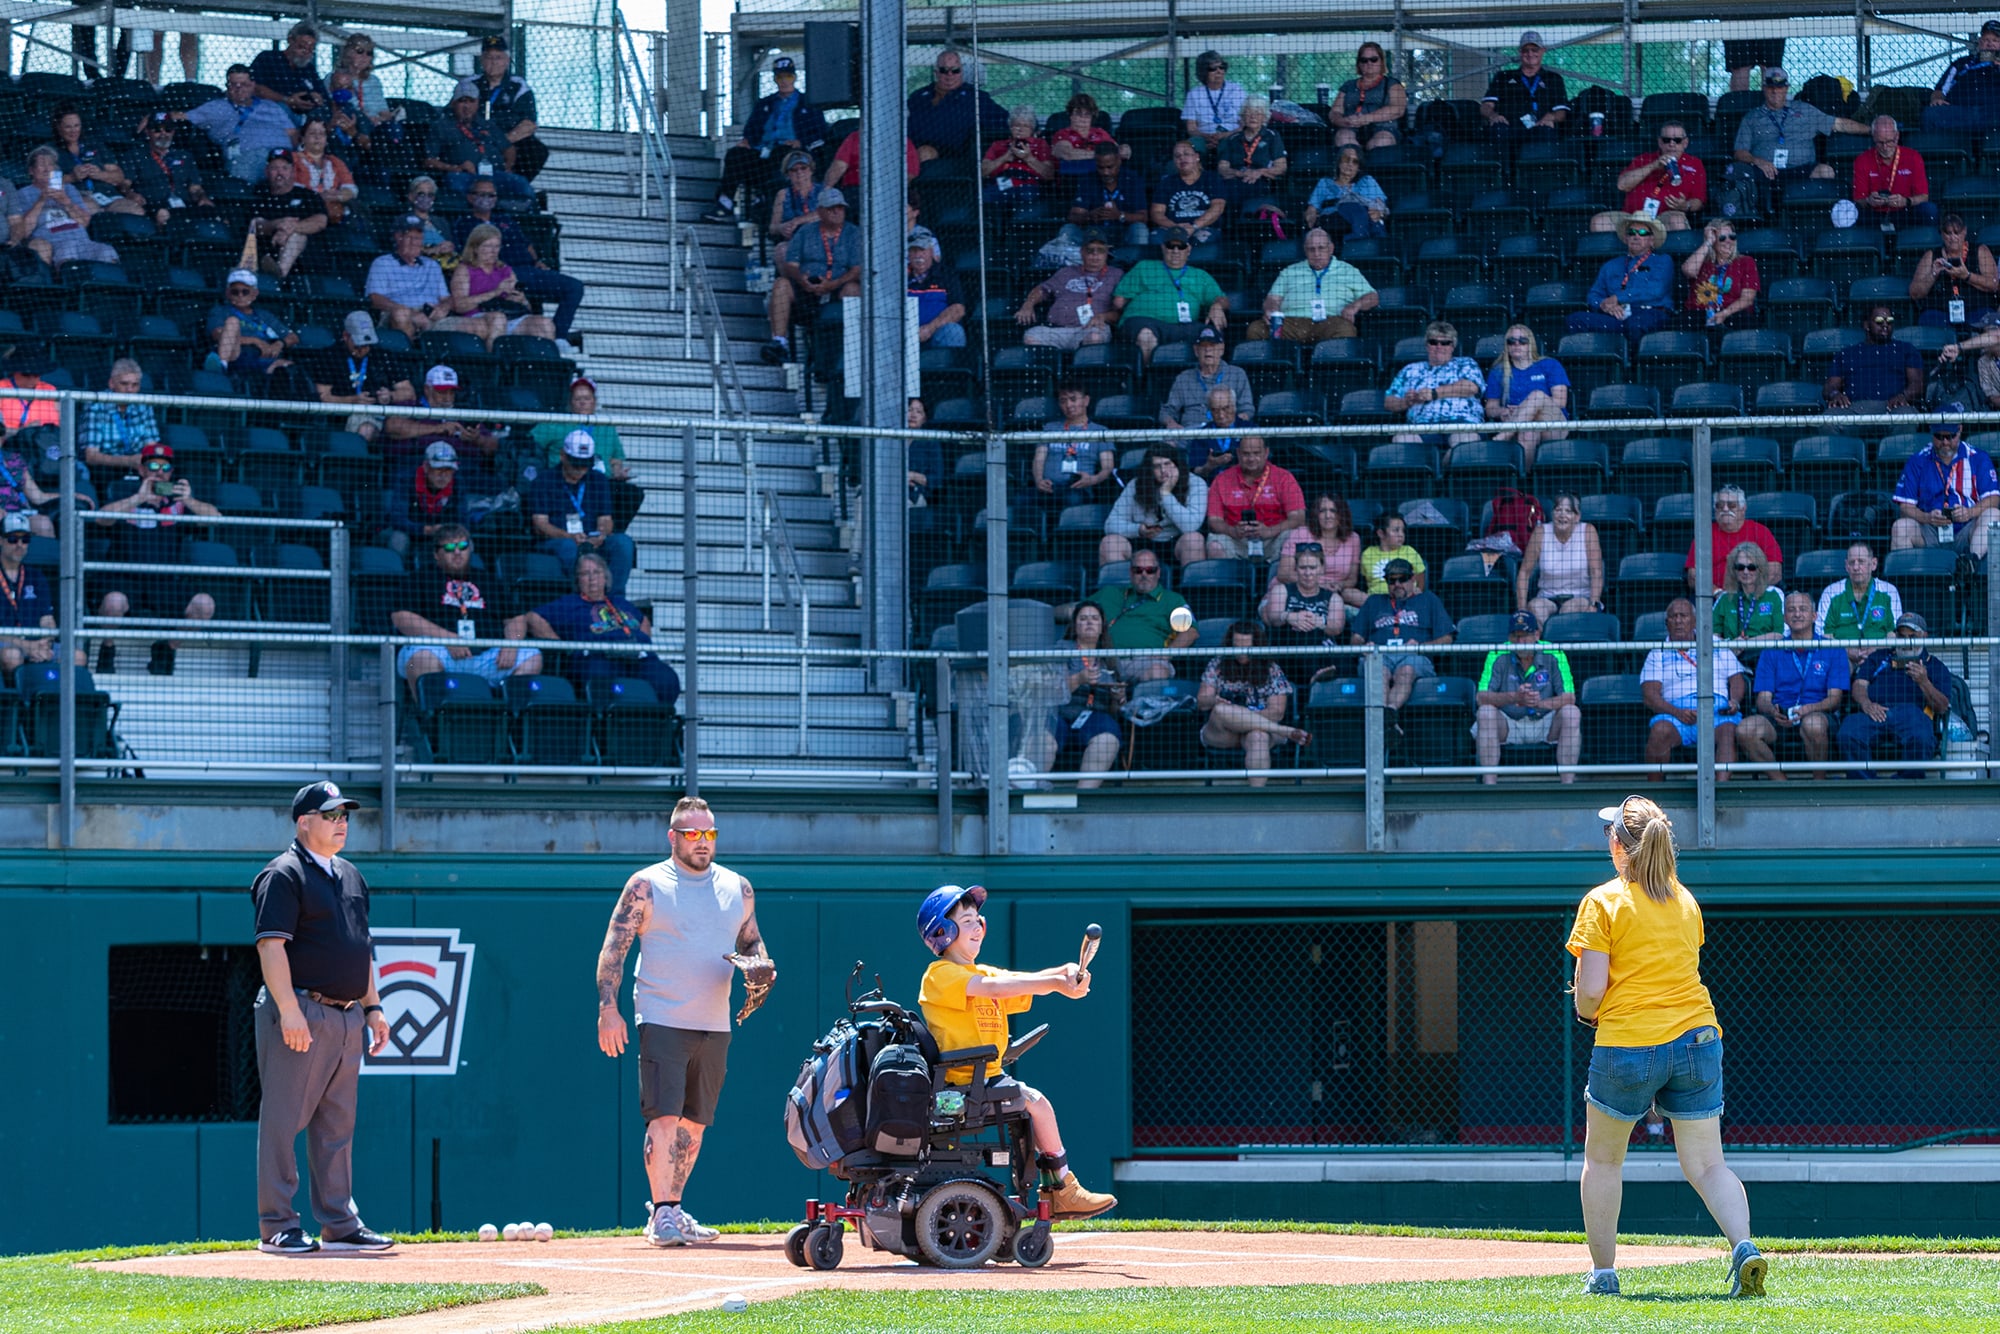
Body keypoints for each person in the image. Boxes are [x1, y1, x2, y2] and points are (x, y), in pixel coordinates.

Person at [1569, 795, 1765, 1300]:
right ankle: (1743, 1248)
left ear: (1618, 844)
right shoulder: (1685, 900)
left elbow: (1591, 990)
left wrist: (1589, 1014)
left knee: (1605, 1162)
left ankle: (1604, 1274)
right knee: (1708, 1165)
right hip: (1698, 1038)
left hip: (1627, 1043)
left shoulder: (1602, 901)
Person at [594, 796, 773, 1246]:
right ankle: (663, 1215)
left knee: (695, 1122)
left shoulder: (739, 887)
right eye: (692, 833)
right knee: (664, 1116)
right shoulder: (647, 885)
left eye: (709, 833)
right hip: (661, 1014)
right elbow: (614, 948)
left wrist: (762, 969)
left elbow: (753, 944)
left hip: (715, 1021)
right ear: (673, 837)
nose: (702, 842)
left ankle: (672, 1205)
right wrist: (608, 1008)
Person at [250, 781, 395, 1257]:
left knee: (336, 1126)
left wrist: (373, 1007)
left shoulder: (350, 875)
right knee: (283, 1120)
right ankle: (277, 1225)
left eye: (344, 816)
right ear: (303, 821)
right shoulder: (283, 874)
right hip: (303, 1010)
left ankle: (339, 1223)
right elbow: (272, 946)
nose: (341, 823)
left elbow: (361, 948)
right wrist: (290, 1011)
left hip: (348, 1014)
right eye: (330, 815)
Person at [916, 884, 1115, 1217]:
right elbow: (994, 987)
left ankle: (1056, 1186)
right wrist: (1053, 983)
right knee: (1039, 1104)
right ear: (943, 932)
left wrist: (1064, 972)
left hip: (986, 1080)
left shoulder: (981, 971)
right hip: (964, 1086)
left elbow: (1018, 980)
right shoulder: (940, 975)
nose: (978, 926)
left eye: (978, 919)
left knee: (1033, 1104)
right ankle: (1062, 1186)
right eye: (967, 921)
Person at [390, 522, 540, 690]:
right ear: (436, 554)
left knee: (532, 656)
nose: (457, 552)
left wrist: (512, 645)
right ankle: (429, 714)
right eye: (449, 548)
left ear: (470, 549)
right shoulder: (420, 578)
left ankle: (507, 714)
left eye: (462, 546)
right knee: (420, 660)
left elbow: (516, 618)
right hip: (438, 653)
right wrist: (447, 638)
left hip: (485, 656)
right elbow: (401, 618)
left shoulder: (489, 580)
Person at [526, 550, 680, 702]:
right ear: (578, 580)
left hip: (637, 658)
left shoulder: (620, 602)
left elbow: (643, 620)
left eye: (597, 572)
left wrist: (643, 641)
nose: (592, 578)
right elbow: (532, 618)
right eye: (585, 574)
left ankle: (657, 722)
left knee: (666, 679)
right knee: (602, 679)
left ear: (606, 578)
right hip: (599, 658)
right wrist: (559, 644)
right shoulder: (569, 603)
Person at [451, 181, 588, 345]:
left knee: (574, 287)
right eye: (482, 194)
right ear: (470, 197)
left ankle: (558, 337)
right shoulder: (464, 223)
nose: (487, 199)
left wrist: (538, 261)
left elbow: (526, 244)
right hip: (501, 271)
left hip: (529, 270)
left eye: (491, 195)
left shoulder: (505, 219)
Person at [1737, 590, 1849, 780]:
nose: (1797, 614)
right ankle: (1780, 783)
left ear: (1814, 616)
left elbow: (1834, 699)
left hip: (1817, 713)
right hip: (1779, 716)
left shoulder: (1833, 649)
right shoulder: (1771, 651)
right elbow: (1763, 698)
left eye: (1803, 609)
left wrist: (1808, 709)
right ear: (1784, 617)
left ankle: (1818, 784)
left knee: (1812, 724)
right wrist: (1772, 710)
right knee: (1744, 730)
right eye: (1791, 610)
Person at [707, 58, 828, 224]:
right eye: (780, 78)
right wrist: (748, 141)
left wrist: (801, 142)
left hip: (789, 153)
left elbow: (820, 132)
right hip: (762, 151)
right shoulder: (765, 103)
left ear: (795, 78)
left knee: (781, 153)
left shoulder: (807, 103)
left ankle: (762, 199)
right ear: (775, 79)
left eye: (788, 77)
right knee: (736, 154)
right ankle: (725, 202)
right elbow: (751, 129)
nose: (784, 81)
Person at [1019, 602, 1126, 788]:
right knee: (1042, 739)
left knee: (1107, 738)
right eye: (1083, 619)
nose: (1089, 623)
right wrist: (1079, 679)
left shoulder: (1110, 657)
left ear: (1102, 626)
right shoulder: (1060, 650)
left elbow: (1114, 710)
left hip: (1094, 715)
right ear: (1075, 625)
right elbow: (1046, 690)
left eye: (1094, 619)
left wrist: (1118, 699)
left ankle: (1083, 796)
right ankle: (1031, 791)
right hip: (1058, 712)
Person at [1840, 611, 1953, 778]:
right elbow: (1859, 684)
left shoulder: (1935, 665)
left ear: (1925, 636)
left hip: (1912, 716)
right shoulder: (1878, 657)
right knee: (1848, 731)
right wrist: (1866, 704)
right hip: (1874, 712)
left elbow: (1942, 707)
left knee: (1921, 735)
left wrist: (1924, 682)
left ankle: (1906, 785)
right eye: (1901, 636)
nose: (1906, 642)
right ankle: (1864, 786)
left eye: (1912, 636)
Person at [1641, 598, 1747, 776]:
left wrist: (1734, 701)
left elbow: (1736, 678)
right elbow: (1650, 695)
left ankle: (1719, 793)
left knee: (1728, 732)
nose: (1678, 621)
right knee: (1659, 732)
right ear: (1667, 623)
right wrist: (1678, 713)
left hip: (1716, 712)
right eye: (1673, 617)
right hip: (1676, 714)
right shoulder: (1657, 652)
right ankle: (1653, 797)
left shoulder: (1715, 644)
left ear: (1695, 620)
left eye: (1683, 616)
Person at [1475, 610, 1580, 783]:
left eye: (1525, 636)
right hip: (1509, 724)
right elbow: (1481, 697)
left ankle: (1567, 785)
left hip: (1545, 723)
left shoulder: (1554, 652)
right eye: (1515, 636)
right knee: (1485, 712)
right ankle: (1489, 786)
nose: (1520, 641)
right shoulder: (1496, 653)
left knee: (1571, 712)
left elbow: (1569, 697)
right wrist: (1514, 697)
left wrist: (1540, 703)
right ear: (1509, 637)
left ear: (1536, 634)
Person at [1733, 68, 1868, 200]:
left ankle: (1821, 221)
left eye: (1780, 87)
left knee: (1826, 171)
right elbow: (1740, 152)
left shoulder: (1804, 109)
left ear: (1787, 88)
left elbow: (1839, 124)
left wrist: (1872, 130)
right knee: (1737, 171)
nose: (1775, 91)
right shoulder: (1751, 117)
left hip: (1801, 169)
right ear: (1763, 88)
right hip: (1765, 171)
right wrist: (1758, 161)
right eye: (1770, 87)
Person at [1198, 622, 1307, 784]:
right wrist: (1213, 700)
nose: (1242, 652)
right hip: (1223, 733)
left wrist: (1241, 718)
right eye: (1237, 646)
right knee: (1220, 710)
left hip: (1261, 731)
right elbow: (1202, 702)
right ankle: (1284, 731)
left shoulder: (1271, 669)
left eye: (1247, 647)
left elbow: (1277, 712)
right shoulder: (1217, 664)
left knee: (1257, 736)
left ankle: (1257, 797)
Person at [533, 431, 636, 596]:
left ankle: (614, 598)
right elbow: (540, 523)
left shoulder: (598, 480)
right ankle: (580, 596)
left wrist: (601, 535)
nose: (580, 470)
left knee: (622, 542)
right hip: (559, 541)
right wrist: (567, 536)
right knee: (568, 548)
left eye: (585, 464)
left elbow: (606, 519)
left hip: (591, 539)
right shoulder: (545, 480)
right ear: (563, 456)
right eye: (576, 464)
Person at [763, 189, 859, 364]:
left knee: (853, 288)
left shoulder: (854, 233)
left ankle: (850, 346)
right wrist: (801, 279)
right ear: (820, 212)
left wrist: (833, 284)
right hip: (807, 288)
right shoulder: (805, 232)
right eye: (831, 208)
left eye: (840, 208)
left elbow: (857, 269)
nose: (836, 212)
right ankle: (779, 342)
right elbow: (791, 264)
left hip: (836, 289)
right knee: (781, 284)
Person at [1890, 411, 2000, 558]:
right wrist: (1927, 517)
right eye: (1939, 437)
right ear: (1931, 431)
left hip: (1966, 531)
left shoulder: (1977, 457)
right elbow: (1904, 508)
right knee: (1900, 527)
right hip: (1930, 530)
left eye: (1950, 436)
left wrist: (1969, 512)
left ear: (1960, 430)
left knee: (1993, 515)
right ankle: (1906, 580)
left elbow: (1993, 499)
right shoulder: (1918, 460)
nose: (1945, 442)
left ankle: (1969, 565)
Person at [1110, 228, 1227, 362]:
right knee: (1146, 335)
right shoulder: (1144, 267)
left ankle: (1201, 380)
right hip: (1145, 322)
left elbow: (1223, 299)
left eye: (1180, 246)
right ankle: (1148, 379)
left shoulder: (1200, 275)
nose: (1175, 251)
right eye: (1171, 246)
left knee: (1210, 336)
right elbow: (1118, 302)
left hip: (1184, 327)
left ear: (1188, 249)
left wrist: (1217, 305)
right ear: (1163, 248)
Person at [1078, 551, 1198, 682]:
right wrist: (1052, 610)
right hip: (1104, 659)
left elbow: (1190, 631)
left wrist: (1167, 653)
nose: (1144, 575)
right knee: (1073, 670)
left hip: (1145, 662)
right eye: (1138, 570)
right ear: (1130, 573)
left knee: (1158, 672)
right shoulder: (1109, 593)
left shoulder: (1172, 600)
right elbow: (1075, 611)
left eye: (1150, 570)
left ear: (1158, 573)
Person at [1353, 558, 1455, 711]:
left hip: (1414, 655)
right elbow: (1356, 638)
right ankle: (1388, 721)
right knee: (1378, 671)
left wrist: (1421, 647)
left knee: (1406, 670)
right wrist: (1363, 646)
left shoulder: (1428, 599)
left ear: (1413, 579)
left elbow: (1447, 639)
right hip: (1379, 654)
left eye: (1403, 579)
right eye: (1392, 581)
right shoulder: (1373, 601)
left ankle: (1389, 713)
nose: (1397, 585)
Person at [1248, 226, 1377, 344]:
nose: (1316, 254)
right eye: (1311, 249)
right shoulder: (1290, 271)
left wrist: (1354, 306)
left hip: (1331, 322)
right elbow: (1272, 299)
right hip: (1292, 323)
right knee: (1256, 329)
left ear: (1331, 248)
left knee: (1345, 330)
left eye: (1321, 248)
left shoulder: (1348, 271)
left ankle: (1328, 369)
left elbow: (1372, 297)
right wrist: (1271, 309)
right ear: (1305, 250)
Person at [1568, 213, 1675, 347]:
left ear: (1651, 240)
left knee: (1635, 325)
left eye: (1642, 232)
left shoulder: (1663, 260)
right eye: (1631, 232)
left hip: (1651, 313)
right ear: (1625, 238)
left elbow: (1656, 290)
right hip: (1618, 315)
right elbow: (1593, 295)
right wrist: (1604, 305)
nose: (1636, 236)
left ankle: (1633, 366)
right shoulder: (1610, 265)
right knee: (1576, 319)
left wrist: (1618, 298)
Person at [307, 312, 415, 443]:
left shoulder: (384, 356)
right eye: (358, 345)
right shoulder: (329, 357)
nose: (363, 349)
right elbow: (323, 398)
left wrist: (390, 395)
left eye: (367, 345)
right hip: (342, 414)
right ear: (346, 336)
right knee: (365, 429)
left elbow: (409, 392)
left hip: (379, 413)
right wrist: (352, 400)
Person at [384, 366, 502, 482]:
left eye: (452, 392)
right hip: (413, 470)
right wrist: (438, 428)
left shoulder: (462, 414)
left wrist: (476, 439)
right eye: (442, 392)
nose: (448, 398)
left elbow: (492, 446)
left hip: (463, 472)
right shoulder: (413, 406)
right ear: (427, 389)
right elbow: (392, 427)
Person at [183, 64, 299, 183]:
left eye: (244, 84)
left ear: (253, 85)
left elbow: (292, 134)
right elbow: (181, 117)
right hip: (245, 156)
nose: (239, 89)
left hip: (282, 156)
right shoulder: (216, 107)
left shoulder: (270, 106)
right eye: (234, 85)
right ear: (227, 86)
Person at [9, 145, 120, 269]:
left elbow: (85, 222)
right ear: (31, 170)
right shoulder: (22, 194)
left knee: (107, 251)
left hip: (82, 241)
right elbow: (24, 232)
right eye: (41, 164)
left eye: (50, 164)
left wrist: (66, 201)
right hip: (55, 243)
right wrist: (41, 200)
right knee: (67, 251)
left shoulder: (68, 189)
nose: (46, 169)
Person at [1040, 141, 1149, 265]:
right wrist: (1090, 216)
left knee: (1139, 229)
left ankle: (1136, 268)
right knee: (1068, 229)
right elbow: (1073, 216)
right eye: (1101, 168)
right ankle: (1070, 273)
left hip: (1122, 235)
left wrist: (1119, 215)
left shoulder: (1132, 179)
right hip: (1093, 236)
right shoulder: (1088, 180)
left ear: (1119, 161)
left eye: (1110, 167)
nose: (1105, 172)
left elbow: (1143, 217)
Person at [451, 223, 559, 347]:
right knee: (498, 319)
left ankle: (546, 363)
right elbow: (459, 306)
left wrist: (522, 300)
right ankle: (495, 362)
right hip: (478, 316)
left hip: (510, 316)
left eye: (496, 246)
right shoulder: (465, 269)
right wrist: (495, 292)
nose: (493, 251)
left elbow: (527, 307)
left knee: (545, 323)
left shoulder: (505, 269)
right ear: (475, 248)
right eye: (488, 246)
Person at [1102, 443, 1208, 568]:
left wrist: (1166, 494)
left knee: (1194, 539)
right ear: (1150, 469)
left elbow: (1190, 526)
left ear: (1177, 464)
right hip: (1141, 540)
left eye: (1167, 464)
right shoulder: (1135, 484)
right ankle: (1118, 588)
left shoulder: (1196, 483)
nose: (1163, 471)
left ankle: (1190, 587)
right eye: (1157, 466)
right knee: (1110, 542)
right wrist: (1138, 530)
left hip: (1176, 540)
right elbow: (1110, 524)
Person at [1019, 230, 1123, 351]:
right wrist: (1028, 304)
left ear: (1106, 253)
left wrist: (1104, 317)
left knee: (1094, 338)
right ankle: (1054, 369)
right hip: (1059, 329)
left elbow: (1122, 310)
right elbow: (1042, 289)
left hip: (1092, 328)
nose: (1095, 254)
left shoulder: (1116, 274)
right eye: (1090, 250)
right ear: (1081, 252)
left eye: (1100, 250)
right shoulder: (1066, 272)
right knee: (1031, 336)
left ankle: (1084, 369)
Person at [1205, 435, 1305, 561]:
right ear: (1238, 453)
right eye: (1246, 454)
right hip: (1237, 540)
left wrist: (1270, 531)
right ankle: (1228, 581)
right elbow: (1214, 520)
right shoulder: (1222, 479)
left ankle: (1281, 580)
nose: (1251, 458)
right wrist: (1233, 531)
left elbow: (1298, 517)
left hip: (1273, 538)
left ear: (1266, 452)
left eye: (1256, 453)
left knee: (1296, 536)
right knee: (1215, 545)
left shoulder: (1284, 477)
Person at [428, 82, 534, 200]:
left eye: (471, 101)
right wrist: (454, 168)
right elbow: (429, 161)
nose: (467, 106)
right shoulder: (441, 126)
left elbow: (508, 148)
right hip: (465, 176)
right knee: (455, 181)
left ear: (478, 103)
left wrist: (508, 167)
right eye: (462, 101)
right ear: (454, 103)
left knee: (520, 183)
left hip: (493, 175)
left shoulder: (487, 125)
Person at [1386, 320, 1485, 445]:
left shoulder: (1465, 363)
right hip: (1422, 426)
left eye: (1445, 343)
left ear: (1452, 346)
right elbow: (1389, 402)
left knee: (1465, 441)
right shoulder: (1410, 370)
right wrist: (1406, 402)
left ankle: (1444, 462)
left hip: (1462, 423)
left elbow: (1471, 387)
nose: (1439, 347)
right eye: (1433, 342)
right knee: (1401, 439)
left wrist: (1434, 393)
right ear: (1427, 345)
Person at [1596, 121, 1705, 233]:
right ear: (1660, 142)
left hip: (1665, 218)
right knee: (1599, 222)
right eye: (1666, 140)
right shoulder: (1644, 159)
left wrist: (1685, 205)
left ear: (1685, 143)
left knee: (1677, 220)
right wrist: (1653, 166)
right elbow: (1622, 185)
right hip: (1633, 216)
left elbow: (1699, 200)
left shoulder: (1694, 164)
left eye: (1677, 140)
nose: (1671, 144)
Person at [1483, 325, 1569, 467]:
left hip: (1553, 424)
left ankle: (1501, 438)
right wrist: (1502, 411)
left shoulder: (1550, 364)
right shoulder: (1498, 371)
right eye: (1512, 341)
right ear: (1507, 345)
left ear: (1531, 343)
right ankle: (1525, 482)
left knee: (1537, 396)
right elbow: (1490, 407)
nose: (1517, 344)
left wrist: (1525, 408)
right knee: (1528, 432)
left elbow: (1560, 402)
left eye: (1522, 341)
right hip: (1520, 426)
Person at [1259, 544, 1346, 683]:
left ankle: (1318, 677)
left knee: (1320, 641)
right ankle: (1315, 678)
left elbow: (1337, 627)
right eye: (1303, 568)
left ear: (1322, 569)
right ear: (1295, 569)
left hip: (1319, 648)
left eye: (1313, 568)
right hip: (1288, 646)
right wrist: (1289, 617)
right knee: (1301, 638)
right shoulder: (1281, 590)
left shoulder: (1333, 597)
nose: (1308, 573)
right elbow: (1273, 618)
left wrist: (1320, 623)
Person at [908, 49, 1007, 164]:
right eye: (944, 70)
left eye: (955, 70)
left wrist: (1028, 126)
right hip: (919, 149)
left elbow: (1005, 120)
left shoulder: (976, 97)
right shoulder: (919, 96)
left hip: (960, 155)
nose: (949, 75)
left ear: (962, 71)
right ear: (936, 72)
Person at [472, 35, 549, 182]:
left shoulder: (519, 86)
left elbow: (529, 124)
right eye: (489, 57)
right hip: (473, 139)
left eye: (498, 57)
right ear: (481, 60)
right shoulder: (469, 84)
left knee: (536, 150)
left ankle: (515, 184)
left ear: (507, 60)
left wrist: (501, 142)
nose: (493, 62)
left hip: (508, 140)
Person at [1813, 541, 1903, 665]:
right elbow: (1823, 635)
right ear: (1846, 566)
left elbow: (1894, 633)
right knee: (1841, 669)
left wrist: (1874, 650)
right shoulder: (1831, 592)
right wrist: (1847, 651)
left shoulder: (1889, 591)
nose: (1856, 567)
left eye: (1861, 562)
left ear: (1873, 564)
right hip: (1840, 657)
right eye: (1852, 562)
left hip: (1879, 655)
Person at [1517, 494, 1602, 624]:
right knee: (1535, 608)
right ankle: (1545, 643)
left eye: (1568, 511)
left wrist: (1593, 603)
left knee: (1569, 610)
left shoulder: (1588, 531)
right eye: (1558, 510)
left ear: (1577, 517)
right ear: (1552, 514)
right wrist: (1521, 609)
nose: (1562, 515)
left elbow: (1596, 572)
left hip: (1579, 596)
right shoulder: (1540, 532)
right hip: (1547, 597)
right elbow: (1524, 572)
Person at [365, 215, 455, 338]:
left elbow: (446, 298)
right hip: (397, 313)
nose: (414, 242)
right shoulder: (383, 263)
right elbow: (375, 299)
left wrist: (444, 307)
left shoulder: (432, 265)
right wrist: (411, 313)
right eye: (409, 237)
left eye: (418, 238)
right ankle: (412, 355)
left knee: (476, 325)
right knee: (401, 315)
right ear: (398, 237)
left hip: (432, 316)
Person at [207, 269, 301, 386]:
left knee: (287, 368)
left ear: (254, 293)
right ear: (228, 293)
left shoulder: (264, 315)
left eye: (245, 292)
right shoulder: (221, 311)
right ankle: (222, 368)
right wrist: (255, 341)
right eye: (235, 292)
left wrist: (279, 344)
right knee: (233, 321)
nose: (240, 296)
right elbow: (217, 335)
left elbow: (293, 337)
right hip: (235, 356)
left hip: (261, 358)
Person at [1031, 383, 1115, 512]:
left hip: (1078, 489)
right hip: (1049, 486)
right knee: (1023, 499)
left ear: (1086, 400)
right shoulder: (1049, 428)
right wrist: (1039, 480)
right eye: (1063, 401)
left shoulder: (1100, 431)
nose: (1068, 405)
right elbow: (1039, 458)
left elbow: (1108, 467)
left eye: (1073, 399)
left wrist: (1092, 479)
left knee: (1073, 499)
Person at [1480, 32, 1569, 153]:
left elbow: (1562, 112)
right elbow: (1486, 105)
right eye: (1525, 50)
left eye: (1534, 49)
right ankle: (1504, 171)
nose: (1530, 54)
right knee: (1498, 130)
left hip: (1540, 128)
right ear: (1519, 52)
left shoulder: (1553, 78)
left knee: (1546, 132)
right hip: (1510, 128)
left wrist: (1551, 117)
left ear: (1543, 51)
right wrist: (1493, 116)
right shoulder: (1503, 76)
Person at [247, 149, 328, 281]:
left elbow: (320, 222)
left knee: (298, 235)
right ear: (267, 172)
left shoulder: (308, 196)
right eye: (274, 168)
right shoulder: (259, 196)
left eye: (285, 168)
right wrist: (277, 224)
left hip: (307, 262)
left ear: (292, 171)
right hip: (269, 252)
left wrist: (288, 228)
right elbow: (256, 226)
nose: (280, 173)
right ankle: (279, 275)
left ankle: (280, 273)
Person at [532, 377, 633, 482]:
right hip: (563, 482)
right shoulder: (556, 423)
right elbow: (530, 444)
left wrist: (617, 473)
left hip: (601, 482)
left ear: (594, 401)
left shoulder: (607, 427)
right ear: (570, 402)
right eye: (577, 399)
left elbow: (616, 459)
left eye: (587, 398)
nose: (582, 402)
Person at [1824, 304, 1923, 411]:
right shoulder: (1847, 354)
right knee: (1829, 421)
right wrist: (1835, 395)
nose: (1885, 325)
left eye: (1889, 321)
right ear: (1866, 325)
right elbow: (1829, 387)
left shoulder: (1906, 349)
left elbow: (1917, 384)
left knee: (1906, 415)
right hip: (1854, 409)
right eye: (1879, 321)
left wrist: (1904, 396)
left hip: (1893, 407)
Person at [1908, 213, 1999, 328]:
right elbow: (1914, 293)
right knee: (1928, 320)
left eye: (1957, 232)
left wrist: (1967, 276)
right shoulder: (1931, 255)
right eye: (1948, 233)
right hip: (1940, 312)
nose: (1953, 237)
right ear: (1942, 234)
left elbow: (1994, 284)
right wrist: (1933, 274)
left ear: (1965, 231)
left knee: (1989, 321)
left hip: (1977, 309)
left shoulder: (1981, 250)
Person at [124, 111, 210, 229]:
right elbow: (124, 184)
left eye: (168, 129)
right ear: (147, 132)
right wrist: (130, 194)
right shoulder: (135, 155)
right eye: (157, 130)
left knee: (217, 215)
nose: (163, 133)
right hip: (152, 204)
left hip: (184, 204)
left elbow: (195, 188)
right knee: (163, 215)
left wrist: (202, 197)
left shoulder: (185, 156)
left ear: (173, 132)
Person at [1686, 485, 1781, 593]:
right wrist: (1717, 593)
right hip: (1714, 597)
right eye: (1720, 505)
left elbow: (1775, 571)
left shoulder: (1761, 532)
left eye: (1731, 505)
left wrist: (1749, 593)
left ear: (1743, 508)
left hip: (1755, 596)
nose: (1725, 509)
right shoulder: (1705, 534)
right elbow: (1693, 576)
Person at [49, 106, 140, 216]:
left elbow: (119, 176)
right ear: (58, 127)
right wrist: (72, 177)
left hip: (107, 196)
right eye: (68, 127)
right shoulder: (51, 152)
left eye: (77, 126)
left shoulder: (94, 145)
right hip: (78, 197)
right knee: (91, 211)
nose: (73, 131)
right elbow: (47, 184)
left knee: (134, 210)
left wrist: (100, 174)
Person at [381, 441, 469, 555]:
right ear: (426, 466)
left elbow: (463, 519)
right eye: (438, 469)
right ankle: (398, 572)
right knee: (398, 539)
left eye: (448, 470)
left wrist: (449, 531)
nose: (443, 475)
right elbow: (397, 519)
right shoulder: (406, 479)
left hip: (444, 534)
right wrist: (426, 530)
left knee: (466, 543)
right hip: (410, 531)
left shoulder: (458, 483)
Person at [0, 511, 58, 677]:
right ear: (1, 541)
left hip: (35, 644)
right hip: (6, 644)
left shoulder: (37, 576)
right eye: (13, 539)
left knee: (77, 656)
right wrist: (26, 646)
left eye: (25, 539)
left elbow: (47, 620)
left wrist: (45, 644)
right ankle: (15, 702)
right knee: (12, 656)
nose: (20, 544)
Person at [1161, 327, 1254, 429]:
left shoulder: (1237, 374)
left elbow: (1247, 410)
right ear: (1196, 351)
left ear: (1221, 349)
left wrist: (1232, 423)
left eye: (1212, 345)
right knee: (1167, 442)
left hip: (1226, 431)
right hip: (1191, 433)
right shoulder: (1183, 378)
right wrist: (1172, 424)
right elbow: (1167, 411)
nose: (1208, 349)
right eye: (1203, 346)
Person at [1852, 116, 1935, 230]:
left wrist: (1906, 201)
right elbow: (1858, 199)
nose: (1885, 147)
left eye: (1889, 141)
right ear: (1873, 138)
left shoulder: (1913, 157)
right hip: (1873, 213)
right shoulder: (1862, 160)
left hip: (1904, 212)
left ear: (1897, 136)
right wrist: (1868, 201)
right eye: (1880, 143)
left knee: (1928, 209)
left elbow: (1924, 197)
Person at [81, 360, 163, 475]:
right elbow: (91, 456)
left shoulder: (144, 406)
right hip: (104, 471)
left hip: (139, 468)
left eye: (135, 385)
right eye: (124, 384)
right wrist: (127, 461)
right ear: (111, 383)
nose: (130, 390)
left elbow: (152, 447)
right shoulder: (96, 405)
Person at [1277, 493, 1363, 596]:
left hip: (1336, 591)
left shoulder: (1353, 538)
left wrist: (1340, 585)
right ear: (1315, 514)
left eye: (1333, 511)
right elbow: (1283, 573)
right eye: (1322, 511)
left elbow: (1352, 579)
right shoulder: (1300, 533)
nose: (1328, 516)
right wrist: (1320, 585)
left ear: (1342, 514)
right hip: (1298, 589)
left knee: (1362, 600)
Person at [1925, 20, 2000, 135]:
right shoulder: (1961, 63)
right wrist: (1937, 99)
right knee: (1931, 114)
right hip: (1962, 112)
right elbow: (1940, 90)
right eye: (1986, 40)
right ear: (1980, 42)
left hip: (1993, 112)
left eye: (1995, 40)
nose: (1990, 44)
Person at [1682, 222, 1761, 330]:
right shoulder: (1701, 261)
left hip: (1732, 313)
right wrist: (1708, 242)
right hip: (1699, 313)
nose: (1728, 241)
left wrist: (1725, 313)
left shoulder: (1746, 262)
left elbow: (1747, 299)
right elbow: (1688, 271)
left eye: (1732, 237)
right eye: (1722, 238)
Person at [1302, 145, 1389, 240]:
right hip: (1333, 220)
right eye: (1346, 159)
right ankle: (1359, 239)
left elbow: (1382, 207)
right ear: (1338, 162)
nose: (1350, 164)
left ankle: (1370, 243)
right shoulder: (1325, 183)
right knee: (1352, 206)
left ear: (1358, 167)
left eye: (1355, 162)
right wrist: (1310, 217)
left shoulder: (1367, 181)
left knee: (1373, 220)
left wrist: (1379, 213)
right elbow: (1312, 208)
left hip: (1364, 220)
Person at [1215, 96, 1286, 211]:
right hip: (1234, 182)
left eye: (1257, 113)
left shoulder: (1272, 136)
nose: (1253, 117)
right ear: (1242, 116)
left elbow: (1281, 167)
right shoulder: (1232, 139)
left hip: (1262, 183)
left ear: (1264, 117)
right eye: (1249, 113)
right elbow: (1222, 168)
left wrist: (1259, 172)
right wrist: (1240, 173)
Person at [980, 106, 1054, 216]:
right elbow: (983, 171)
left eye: (1025, 126)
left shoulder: (1040, 144)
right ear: (1010, 127)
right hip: (1000, 185)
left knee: (1027, 197)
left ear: (1032, 128)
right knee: (985, 197)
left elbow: (1049, 174)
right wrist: (1006, 156)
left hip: (1028, 186)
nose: (1020, 129)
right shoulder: (998, 145)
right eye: (1016, 125)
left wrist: (1028, 158)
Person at [1331, 42, 1406, 149]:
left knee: (1380, 142)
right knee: (1343, 138)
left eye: (1373, 59)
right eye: (1364, 60)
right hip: (1350, 128)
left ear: (1381, 62)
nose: (1369, 63)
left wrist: (1366, 118)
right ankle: (1354, 163)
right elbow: (1335, 112)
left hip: (1384, 129)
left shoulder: (1392, 84)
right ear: (1359, 64)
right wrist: (1344, 121)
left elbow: (1398, 109)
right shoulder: (1348, 86)